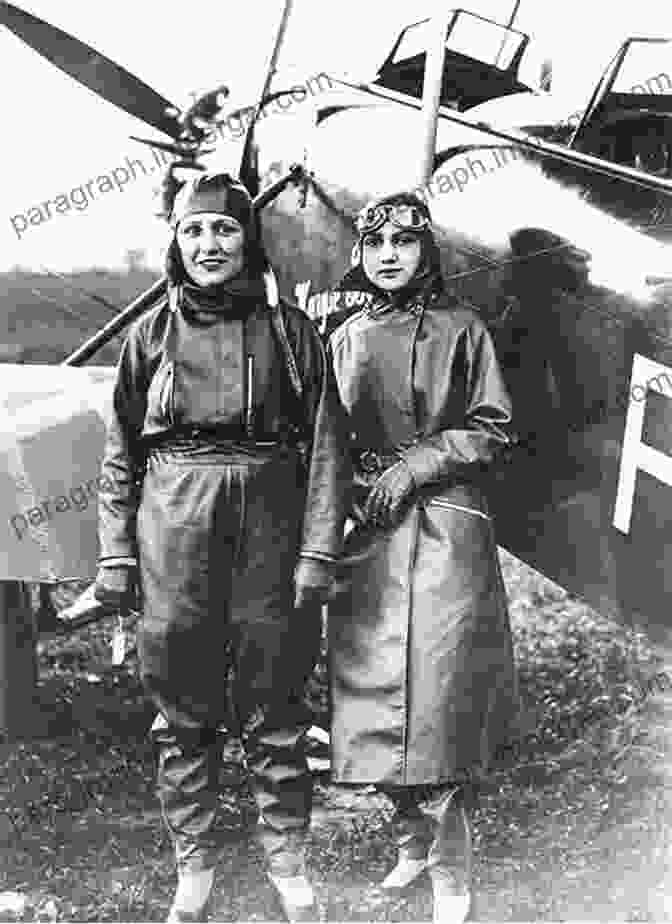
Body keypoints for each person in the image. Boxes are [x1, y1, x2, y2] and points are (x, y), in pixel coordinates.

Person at [92, 171, 350, 922]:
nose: (210, 244)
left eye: (225, 229)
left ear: (249, 240)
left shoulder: (293, 335)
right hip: (173, 524)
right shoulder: (149, 337)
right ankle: (194, 864)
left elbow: (328, 450)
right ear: (175, 242)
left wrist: (316, 554)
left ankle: (287, 861)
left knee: (277, 698)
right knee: (182, 702)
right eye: (194, 230)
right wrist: (117, 554)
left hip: (271, 522)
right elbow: (119, 457)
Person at [327, 192, 519, 923]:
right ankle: (410, 838)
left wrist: (417, 465)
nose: (387, 255)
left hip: (444, 528)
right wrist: (350, 486)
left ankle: (453, 877)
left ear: (427, 252)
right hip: (372, 535)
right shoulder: (344, 338)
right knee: (373, 695)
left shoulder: (463, 330)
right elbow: (328, 440)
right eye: (374, 242)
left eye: (404, 242)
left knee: (432, 703)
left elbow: (493, 427)